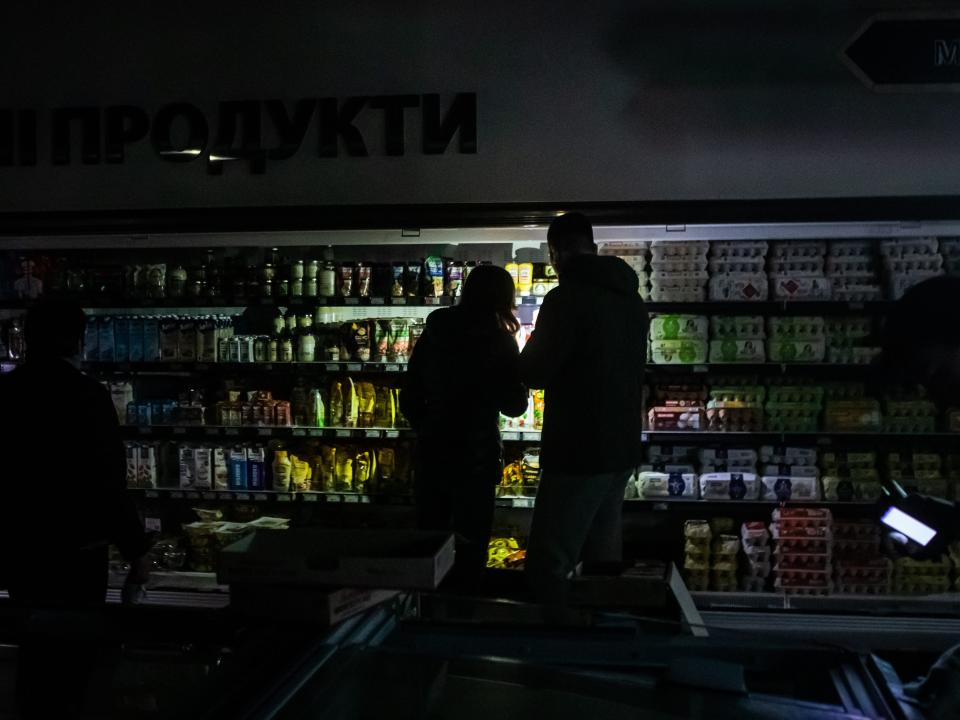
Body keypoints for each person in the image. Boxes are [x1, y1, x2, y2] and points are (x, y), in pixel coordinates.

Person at [0, 301, 150, 718]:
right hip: (77, 554)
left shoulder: (7, 393)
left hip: (22, 553)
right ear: (78, 340)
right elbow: (107, 483)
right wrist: (137, 552)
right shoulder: (86, 395)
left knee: (35, 657)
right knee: (76, 665)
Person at [519, 212, 648, 610]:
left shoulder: (566, 298)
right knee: (602, 557)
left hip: (578, 448)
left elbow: (536, 371)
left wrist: (514, 353)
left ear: (555, 254)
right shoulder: (630, 299)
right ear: (591, 248)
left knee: (550, 559)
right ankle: (601, 635)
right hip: (620, 446)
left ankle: (542, 651)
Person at [400, 265, 528, 589]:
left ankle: (425, 609)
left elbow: (410, 396)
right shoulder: (500, 342)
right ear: (504, 298)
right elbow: (515, 406)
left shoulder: (435, 332)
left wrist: (429, 425)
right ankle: (466, 606)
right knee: (472, 542)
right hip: (477, 454)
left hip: (434, 450)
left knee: (430, 538)